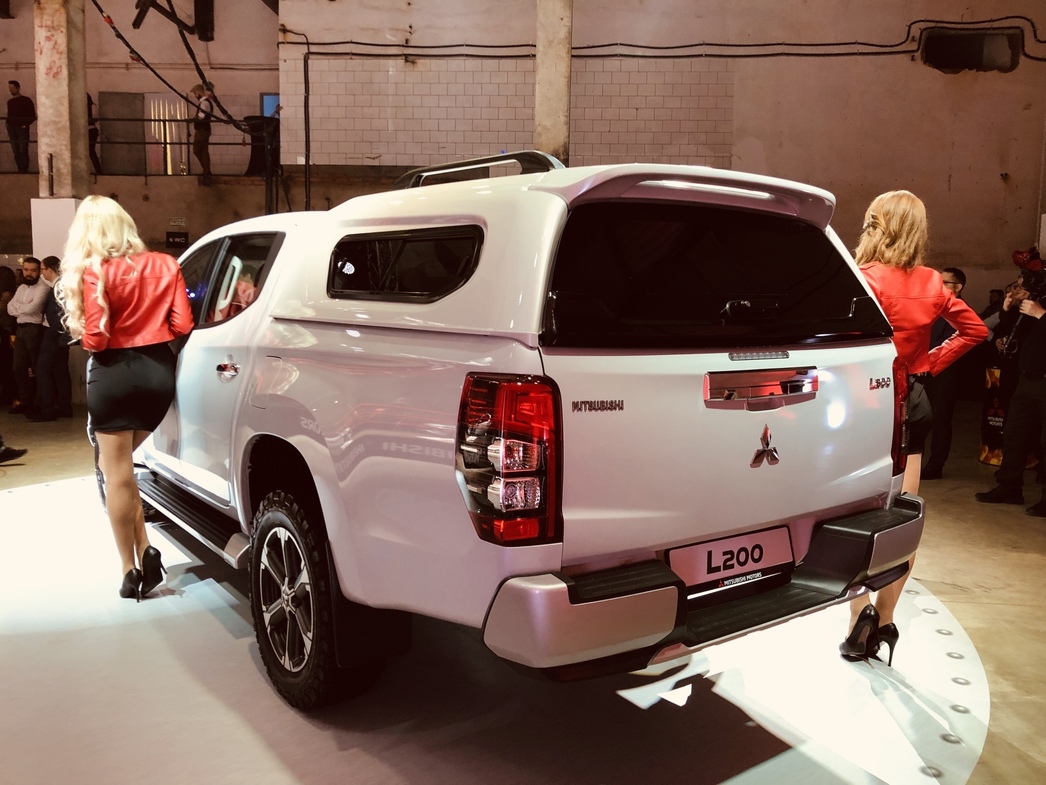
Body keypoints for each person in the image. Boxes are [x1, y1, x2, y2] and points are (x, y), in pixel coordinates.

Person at [841, 191, 987, 666]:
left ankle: (857, 616)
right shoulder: (930, 281)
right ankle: (885, 620)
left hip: (866, 402)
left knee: (851, 518)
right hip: (915, 400)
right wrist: (928, 363)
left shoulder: (860, 277)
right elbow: (976, 331)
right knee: (903, 519)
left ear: (875, 225)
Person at [58, 195, 194, 601]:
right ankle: (147, 549)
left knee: (116, 473)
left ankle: (129, 570)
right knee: (124, 472)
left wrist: (87, 334)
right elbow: (182, 324)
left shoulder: (96, 271)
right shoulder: (166, 264)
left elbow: (97, 339)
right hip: (157, 373)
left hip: (112, 374)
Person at [975, 269, 1046, 516]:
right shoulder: (1035, 304)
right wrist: (1007, 310)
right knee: (1014, 435)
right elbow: (1016, 332)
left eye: (1023, 284)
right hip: (1026, 380)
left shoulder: (1040, 308)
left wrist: (1041, 314)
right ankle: (1009, 487)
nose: (1020, 288)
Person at [922, 267, 981, 479]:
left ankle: (935, 465)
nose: (938, 286)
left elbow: (950, 342)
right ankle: (914, 462)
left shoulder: (961, 310)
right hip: (924, 368)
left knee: (940, 419)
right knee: (919, 418)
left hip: (944, 371)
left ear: (957, 287)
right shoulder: (936, 306)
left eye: (944, 282)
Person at [28, 255, 73, 421]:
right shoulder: (63, 285)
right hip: (61, 335)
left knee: (42, 370)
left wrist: (56, 332)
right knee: (60, 371)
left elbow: (59, 314)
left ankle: (48, 408)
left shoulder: (58, 287)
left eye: (42, 269)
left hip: (54, 334)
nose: (41, 273)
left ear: (49, 269)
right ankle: (64, 406)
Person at [6, 257, 48, 415]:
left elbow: (33, 309)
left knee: (37, 367)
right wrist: (23, 307)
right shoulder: (22, 288)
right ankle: (25, 401)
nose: (29, 273)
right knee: (18, 367)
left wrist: (19, 308)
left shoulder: (43, 287)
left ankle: (40, 403)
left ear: (39, 272)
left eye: (33, 270)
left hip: (35, 329)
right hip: (20, 329)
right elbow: (9, 308)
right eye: (26, 270)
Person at [6, 80, 36, 173]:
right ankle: (20, 169)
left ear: (18, 88)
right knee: (16, 150)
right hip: (12, 128)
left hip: (21, 128)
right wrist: (7, 123)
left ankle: (23, 170)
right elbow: (9, 114)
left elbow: (32, 115)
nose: (11, 90)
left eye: (12, 88)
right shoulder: (10, 102)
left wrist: (25, 124)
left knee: (22, 149)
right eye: (9, 88)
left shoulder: (26, 100)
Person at [188, 83, 213, 179]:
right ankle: (206, 171)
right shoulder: (207, 102)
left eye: (195, 94)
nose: (195, 96)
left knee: (197, 150)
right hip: (206, 129)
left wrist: (191, 120)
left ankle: (206, 170)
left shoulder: (204, 103)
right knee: (204, 151)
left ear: (198, 93)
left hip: (202, 130)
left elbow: (201, 117)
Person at [0, 265, 17, 405]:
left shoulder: (6, 295)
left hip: (4, 331)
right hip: (8, 331)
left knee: (6, 364)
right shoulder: (13, 292)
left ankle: (7, 394)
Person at [87, 93, 102, 175]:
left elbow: (95, 119)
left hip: (91, 129)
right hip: (89, 129)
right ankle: (98, 171)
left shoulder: (93, 106)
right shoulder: (92, 106)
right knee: (91, 151)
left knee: (91, 151)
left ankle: (98, 171)